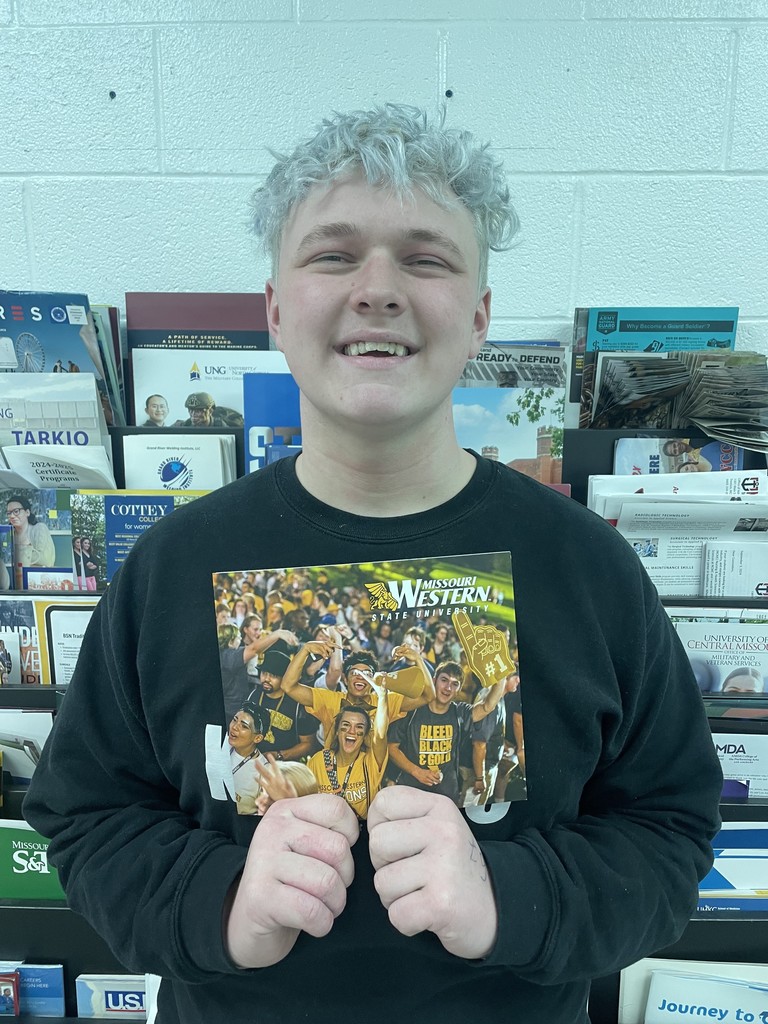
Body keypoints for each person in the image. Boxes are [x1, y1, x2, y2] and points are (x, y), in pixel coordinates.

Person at [24, 104, 722, 1024]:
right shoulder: (168, 567)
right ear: (276, 310)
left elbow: (669, 830)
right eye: (333, 254)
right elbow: (88, 816)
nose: (378, 288)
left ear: (478, 318)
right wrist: (219, 904)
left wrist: (511, 895)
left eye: (426, 258)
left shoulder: (589, 568)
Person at [6, 495, 56, 568]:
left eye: (16, 511)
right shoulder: (7, 534)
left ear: (27, 512)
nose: (12, 516)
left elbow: (46, 560)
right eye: (9, 513)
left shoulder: (39, 529)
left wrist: (20, 552)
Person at [174, 391, 244, 429]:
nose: (193, 414)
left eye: (198, 411)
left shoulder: (221, 427)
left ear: (210, 411)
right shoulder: (184, 426)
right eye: (190, 410)